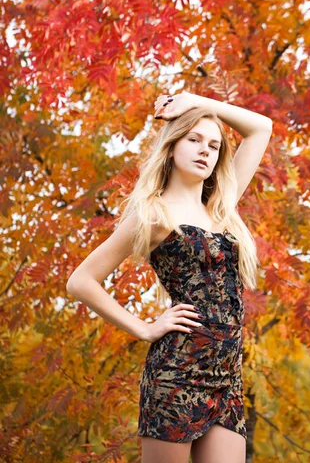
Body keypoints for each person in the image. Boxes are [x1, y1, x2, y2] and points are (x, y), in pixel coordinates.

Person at [66, 91, 273, 463]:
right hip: (177, 375)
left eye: (213, 144)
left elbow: (261, 128)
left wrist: (196, 100)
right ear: (173, 146)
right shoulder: (154, 215)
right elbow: (80, 280)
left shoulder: (222, 208)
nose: (205, 150)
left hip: (226, 380)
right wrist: (144, 328)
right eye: (194, 139)